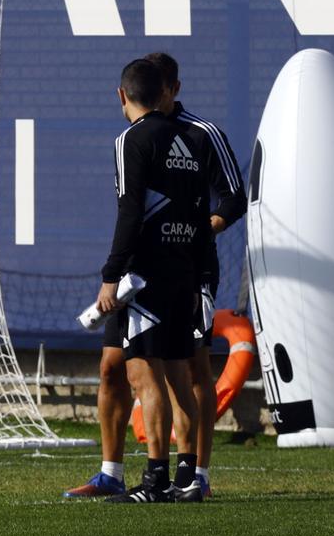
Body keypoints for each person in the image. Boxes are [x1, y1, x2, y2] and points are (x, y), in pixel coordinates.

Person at [70, 59, 211, 503]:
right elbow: (198, 216)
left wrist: (111, 277)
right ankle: (188, 476)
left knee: (145, 377)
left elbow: (131, 211)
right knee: (174, 372)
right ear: (164, 94)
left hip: (145, 276)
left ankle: (156, 480)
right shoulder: (189, 138)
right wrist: (199, 276)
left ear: (122, 95)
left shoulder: (132, 139)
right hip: (183, 270)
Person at [145, 52, 247, 498]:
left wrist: (202, 229)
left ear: (174, 90)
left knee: (192, 363)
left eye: (161, 90)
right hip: (149, 271)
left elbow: (234, 197)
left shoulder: (202, 135)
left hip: (193, 268)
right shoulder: (137, 137)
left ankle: (199, 474)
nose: (153, 99)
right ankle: (157, 473)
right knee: (139, 366)